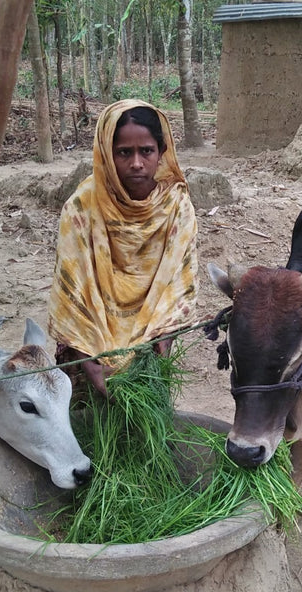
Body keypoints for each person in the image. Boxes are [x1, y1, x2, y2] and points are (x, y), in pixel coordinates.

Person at [47, 99, 198, 397]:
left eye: (147, 151)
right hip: (87, 351)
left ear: (162, 152)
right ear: (106, 154)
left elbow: (178, 285)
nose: (137, 163)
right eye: (124, 153)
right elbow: (72, 290)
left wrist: (161, 343)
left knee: (148, 429)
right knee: (83, 434)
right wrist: (89, 360)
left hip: (151, 352)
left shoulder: (176, 207)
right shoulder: (82, 208)